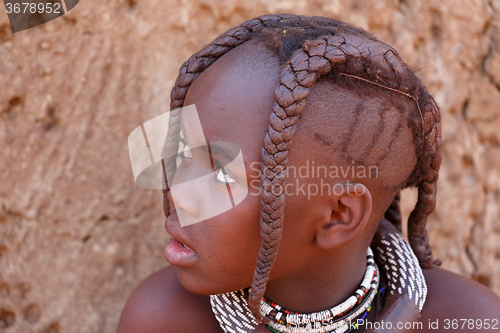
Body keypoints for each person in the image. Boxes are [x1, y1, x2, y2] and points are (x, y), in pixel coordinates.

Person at [117, 14, 500, 333]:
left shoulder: (471, 320)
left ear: (338, 216)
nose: (177, 193)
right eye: (183, 151)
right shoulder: (163, 318)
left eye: (220, 175)